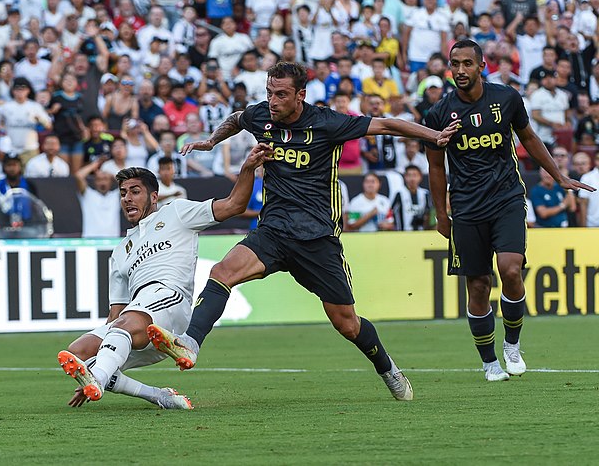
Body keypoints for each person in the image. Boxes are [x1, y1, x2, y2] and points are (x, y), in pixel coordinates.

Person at [147, 61, 459, 401]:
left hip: (317, 238)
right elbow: (237, 119)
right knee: (222, 272)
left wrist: (434, 136)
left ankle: (388, 368)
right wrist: (211, 141)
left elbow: (385, 124)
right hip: (274, 230)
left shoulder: (328, 123)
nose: (273, 101)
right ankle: (190, 343)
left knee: (347, 324)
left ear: (301, 95)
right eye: (269, 93)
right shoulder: (262, 116)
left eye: (281, 95)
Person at [423, 40, 595, 382]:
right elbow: (436, 167)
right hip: (467, 207)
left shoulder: (506, 98)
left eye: (467, 63)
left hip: (507, 198)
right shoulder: (439, 113)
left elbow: (529, 138)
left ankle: (512, 345)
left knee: (511, 270)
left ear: (481, 66)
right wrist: (441, 214)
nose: (460, 70)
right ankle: (489, 363)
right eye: (455, 63)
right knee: (478, 285)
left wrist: (558, 175)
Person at [57, 143, 272, 405]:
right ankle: (157, 395)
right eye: (123, 193)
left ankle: (99, 378)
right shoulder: (120, 251)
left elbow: (234, 205)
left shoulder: (177, 212)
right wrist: (95, 363)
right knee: (79, 352)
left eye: (135, 191)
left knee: (120, 333)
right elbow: (115, 315)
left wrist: (247, 169)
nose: (127, 198)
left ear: (154, 197)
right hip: (136, 322)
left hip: (171, 303)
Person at [74, 156, 121, 238]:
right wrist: (96, 164)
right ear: (95, 182)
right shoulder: (88, 194)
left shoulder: (116, 195)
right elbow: (79, 176)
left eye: (105, 179)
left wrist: (111, 174)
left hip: (113, 240)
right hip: (90, 239)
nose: (102, 183)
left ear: (111, 181)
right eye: (99, 179)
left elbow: (127, 182)